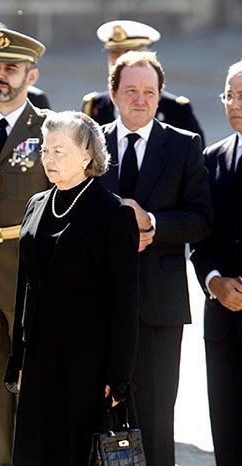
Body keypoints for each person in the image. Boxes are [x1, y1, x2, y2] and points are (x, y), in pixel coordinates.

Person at [4, 111, 139, 465]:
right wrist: (17, 356)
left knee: (73, 454)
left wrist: (118, 376)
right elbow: (25, 287)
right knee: (35, 452)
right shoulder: (36, 205)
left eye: (59, 151)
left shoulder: (112, 213)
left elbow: (123, 302)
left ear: (87, 155)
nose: (48, 159)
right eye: (45, 150)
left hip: (86, 361)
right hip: (38, 357)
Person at [100, 51, 212, 466]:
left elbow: (201, 219)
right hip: (98, 305)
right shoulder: (88, 143)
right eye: (131, 90)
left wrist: (153, 226)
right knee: (100, 419)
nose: (140, 100)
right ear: (113, 94)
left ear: (161, 95)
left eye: (149, 92)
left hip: (159, 308)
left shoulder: (183, 146)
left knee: (155, 422)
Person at [0, 27, 50, 466]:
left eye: (10, 68)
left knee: (33, 383)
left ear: (31, 75)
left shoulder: (49, 128)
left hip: (28, 276)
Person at [190, 60, 242, 466]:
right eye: (230, 94)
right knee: (227, 430)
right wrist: (213, 282)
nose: (235, 103)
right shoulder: (211, 158)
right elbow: (200, 238)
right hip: (222, 318)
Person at [81, 19, 205, 144]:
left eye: (129, 52)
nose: (121, 59)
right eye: (115, 53)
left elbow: (196, 157)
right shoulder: (95, 106)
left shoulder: (175, 108)